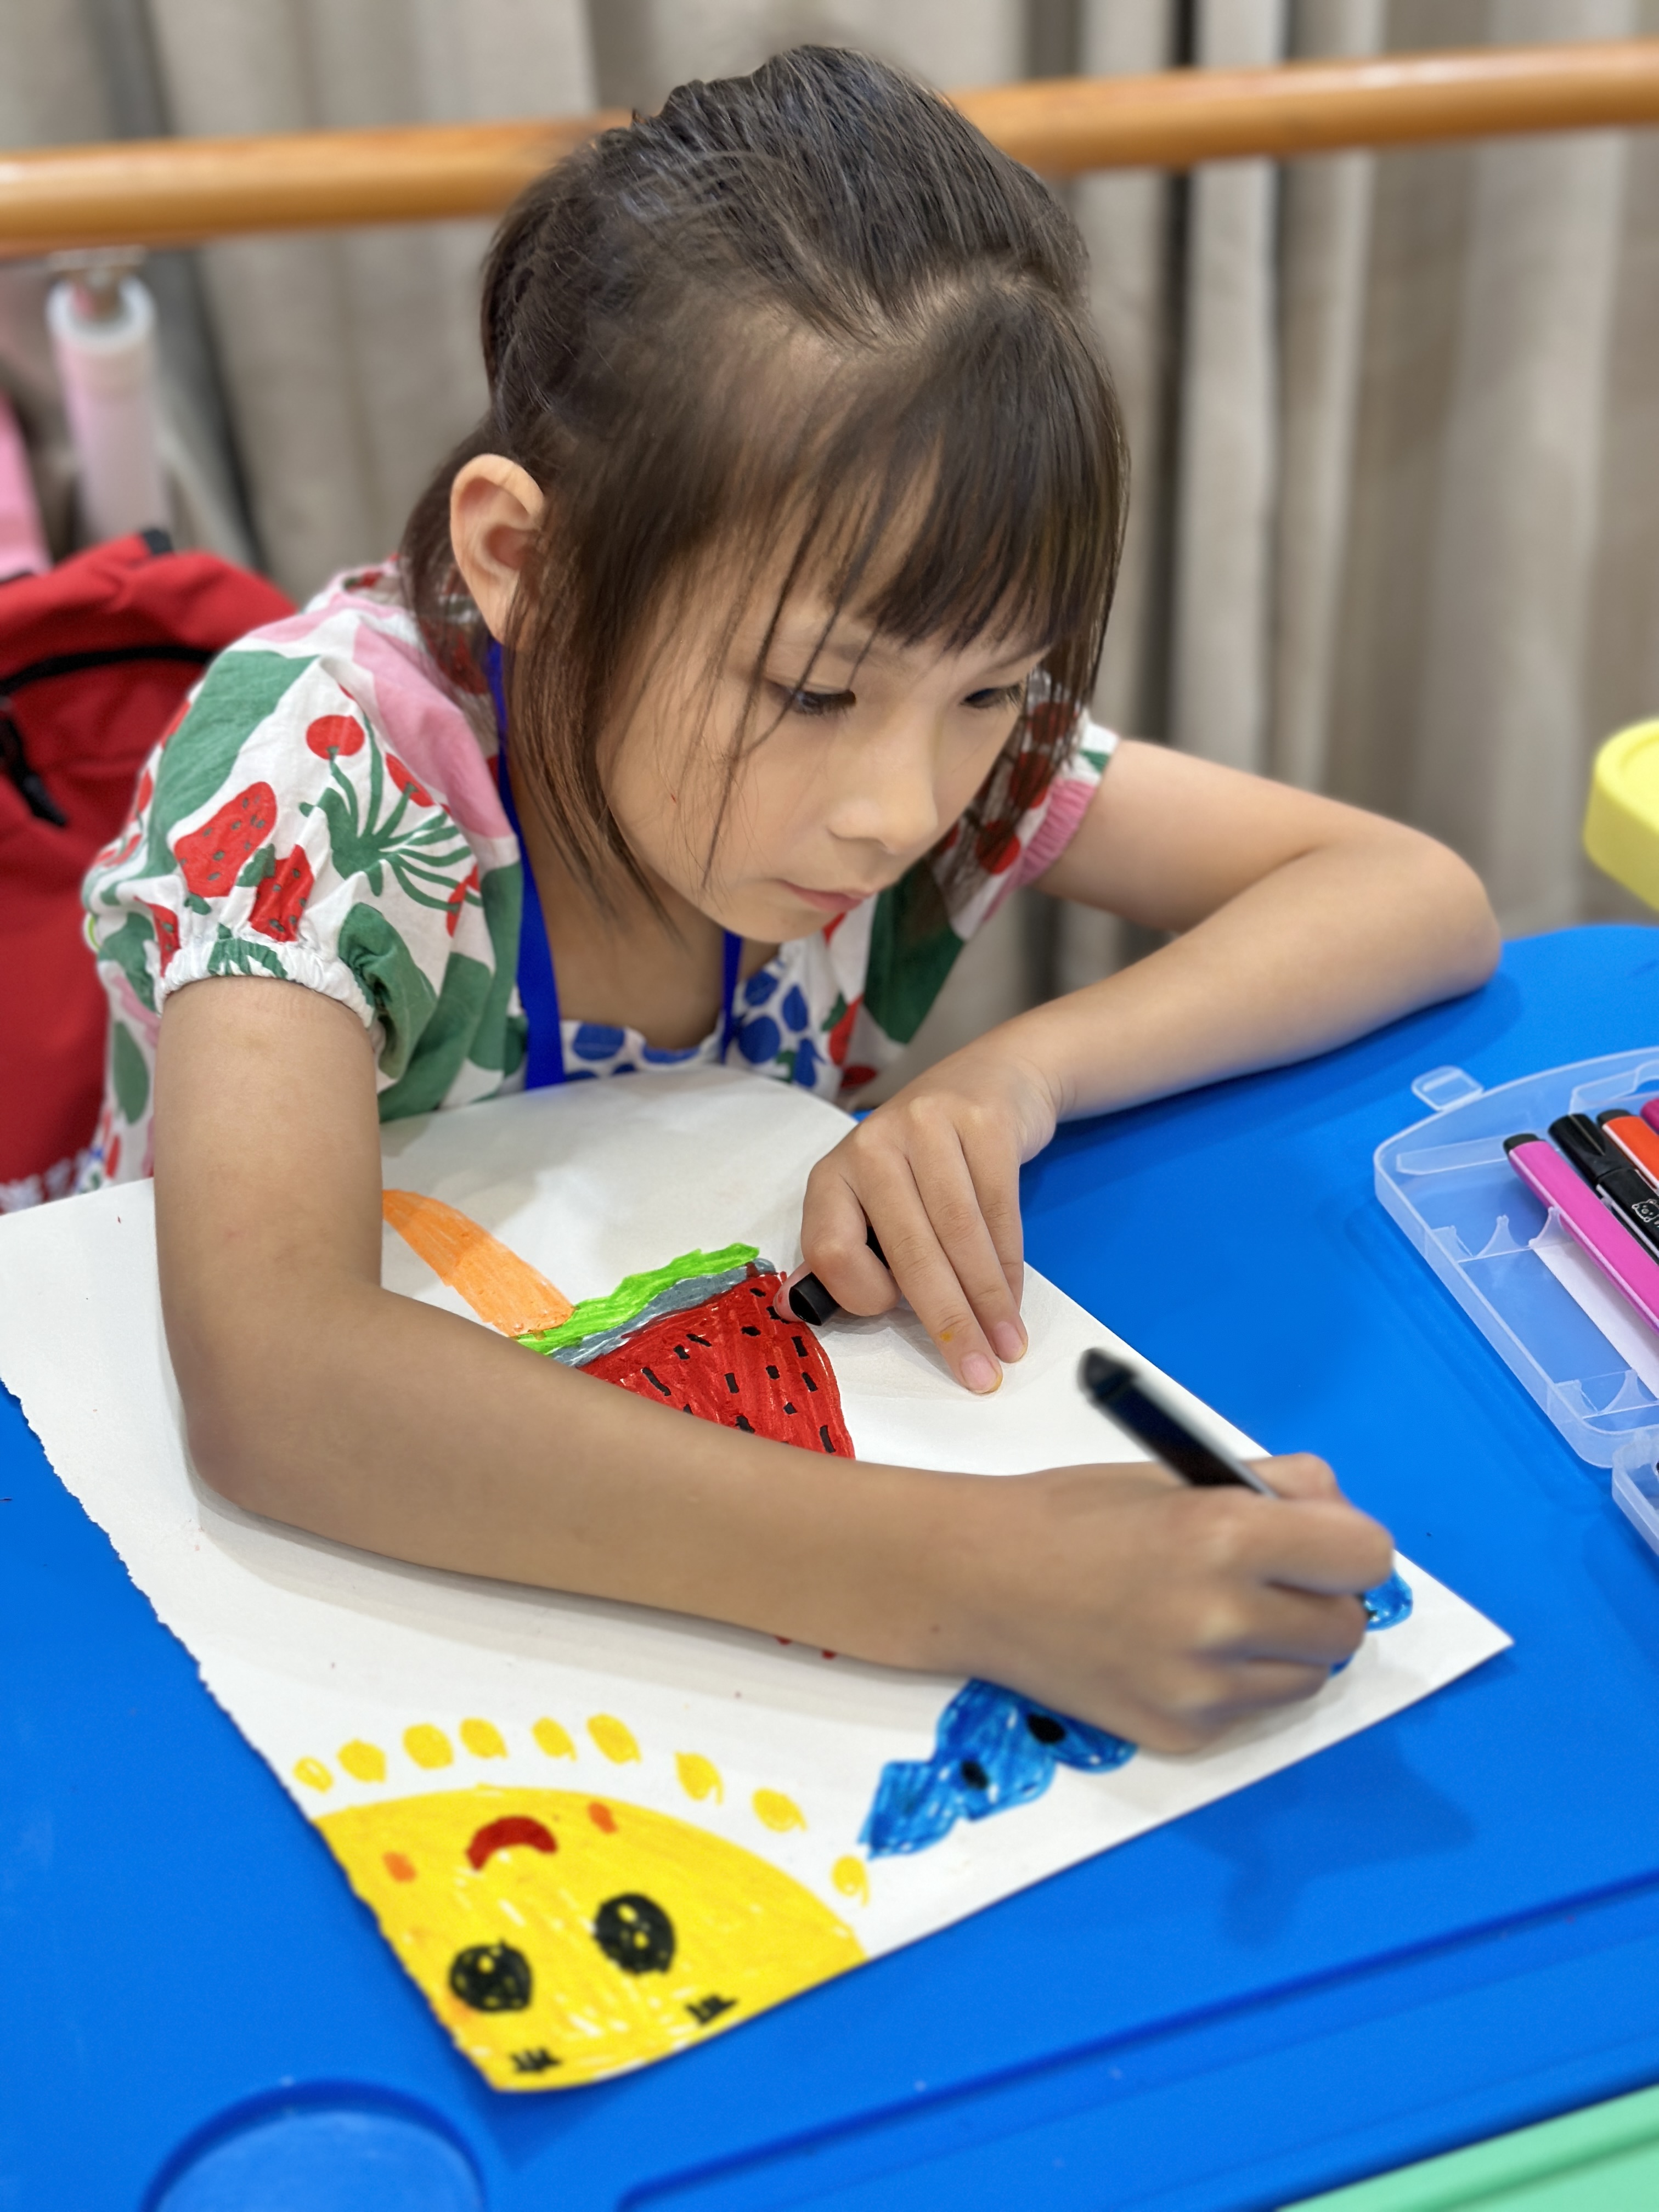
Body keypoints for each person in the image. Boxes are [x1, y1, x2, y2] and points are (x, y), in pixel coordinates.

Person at [82, 48, 1497, 1752]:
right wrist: (980, 1579)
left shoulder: (926, 733)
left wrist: (1012, 1074)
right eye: (814, 693)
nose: (902, 805)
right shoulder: (313, 776)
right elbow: (278, 1383)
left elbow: (1408, 892)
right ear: (526, 561)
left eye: (992, 688)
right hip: (236, 1615)